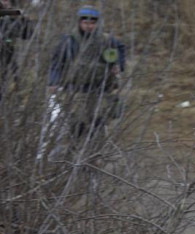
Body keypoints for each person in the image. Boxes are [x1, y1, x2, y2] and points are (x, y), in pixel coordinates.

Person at [47, 6, 125, 141]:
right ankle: (75, 153)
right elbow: (56, 63)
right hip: (75, 90)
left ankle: (94, 155)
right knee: (77, 124)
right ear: (79, 22)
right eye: (86, 23)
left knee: (98, 123)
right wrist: (53, 82)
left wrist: (119, 65)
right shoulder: (68, 40)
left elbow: (121, 48)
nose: (89, 26)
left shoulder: (106, 39)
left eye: (92, 23)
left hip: (100, 89)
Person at [0, 0, 34, 103]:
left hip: (9, 56)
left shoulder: (13, 16)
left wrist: (23, 19)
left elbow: (27, 34)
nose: (6, 2)